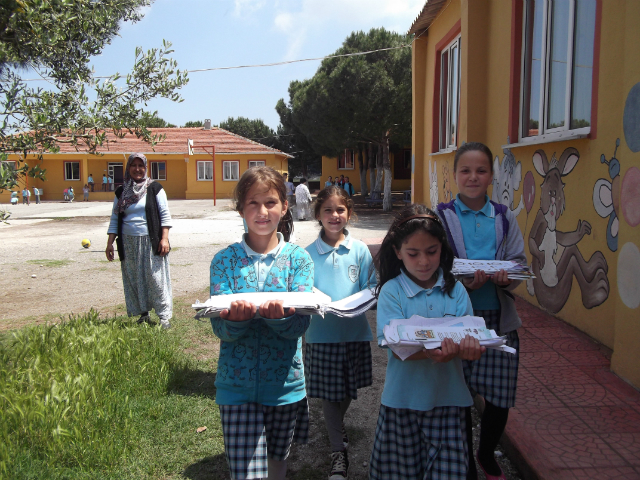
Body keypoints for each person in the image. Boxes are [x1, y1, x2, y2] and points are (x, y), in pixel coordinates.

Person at [209, 166, 314, 480]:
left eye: (270, 202)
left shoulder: (299, 260)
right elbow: (220, 329)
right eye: (252, 203)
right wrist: (236, 323)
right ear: (240, 209)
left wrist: (281, 320)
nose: (262, 211)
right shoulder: (223, 261)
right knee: (246, 473)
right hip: (235, 386)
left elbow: (300, 326)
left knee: (277, 461)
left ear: (285, 206)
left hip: (285, 386)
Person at [369, 204, 485, 480]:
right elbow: (396, 347)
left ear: (442, 249)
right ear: (398, 252)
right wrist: (438, 351)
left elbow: (471, 338)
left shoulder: (456, 290)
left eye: (431, 251)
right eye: (413, 253)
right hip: (402, 403)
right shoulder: (391, 292)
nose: (424, 261)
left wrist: (468, 350)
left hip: (450, 401)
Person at [436, 142, 526, 480]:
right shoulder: (441, 215)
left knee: (500, 396)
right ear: (455, 174)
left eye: (481, 170)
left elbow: (519, 262)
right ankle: (467, 465)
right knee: (460, 394)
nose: (473, 177)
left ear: (491, 175)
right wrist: (462, 283)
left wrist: (505, 278)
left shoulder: (503, 216)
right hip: (455, 320)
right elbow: (432, 263)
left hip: (498, 318)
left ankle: (486, 453)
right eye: (465, 170)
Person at [304, 186, 376, 480]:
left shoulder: (359, 250)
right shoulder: (306, 254)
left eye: (340, 210)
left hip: (355, 333)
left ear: (349, 212)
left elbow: (371, 286)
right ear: (318, 214)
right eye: (328, 210)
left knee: (347, 390)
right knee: (330, 396)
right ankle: (338, 451)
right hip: (321, 336)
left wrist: (367, 297)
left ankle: (337, 427)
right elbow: (302, 290)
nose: (335, 216)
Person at [105, 153, 173, 330]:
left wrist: (164, 239)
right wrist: (110, 243)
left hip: (151, 241)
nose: (137, 169)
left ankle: (164, 317)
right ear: (128, 168)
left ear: (145, 167)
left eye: (140, 165)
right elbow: (114, 218)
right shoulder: (121, 191)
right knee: (135, 278)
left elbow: (165, 215)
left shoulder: (155, 188)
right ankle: (144, 314)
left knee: (155, 278)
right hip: (128, 242)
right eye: (133, 165)